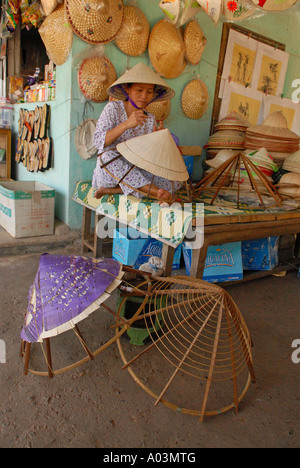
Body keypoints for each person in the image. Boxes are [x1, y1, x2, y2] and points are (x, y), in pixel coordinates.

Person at [92, 62, 182, 201]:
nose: (144, 96)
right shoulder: (113, 109)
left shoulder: (150, 118)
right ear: (128, 89)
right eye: (139, 90)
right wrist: (126, 124)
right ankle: (155, 192)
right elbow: (98, 142)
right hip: (111, 172)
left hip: (136, 171)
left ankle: (116, 191)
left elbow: (149, 159)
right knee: (107, 156)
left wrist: (159, 140)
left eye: (149, 92)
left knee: (176, 179)